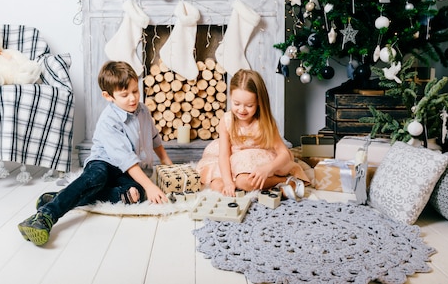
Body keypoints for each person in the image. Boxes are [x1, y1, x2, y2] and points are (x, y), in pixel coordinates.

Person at [18, 60, 173, 246]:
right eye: (124, 95)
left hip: (126, 171)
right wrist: (151, 186)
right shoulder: (109, 121)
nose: (132, 98)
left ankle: (64, 195)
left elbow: (153, 135)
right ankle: (46, 215)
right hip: (104, 163)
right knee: (97, 177)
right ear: (108, 96)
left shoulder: (143, 111)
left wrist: (164, 159)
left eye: (135, 91)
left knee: (136, 194)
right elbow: (126, 160)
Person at [197, 69, 308, 198]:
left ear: (259, 102)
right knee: (217, 185)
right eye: (236, 104)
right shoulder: (226, 120)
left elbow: (284, 154)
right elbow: (224, 155)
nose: (242, 110)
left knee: (243, 181)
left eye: (249, 105)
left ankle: (285, 182)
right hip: (235, 159)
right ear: (230, 97)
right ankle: (247, 188)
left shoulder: (264, 122)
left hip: (258, 159)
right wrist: (227, 182)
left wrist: (268, 169)